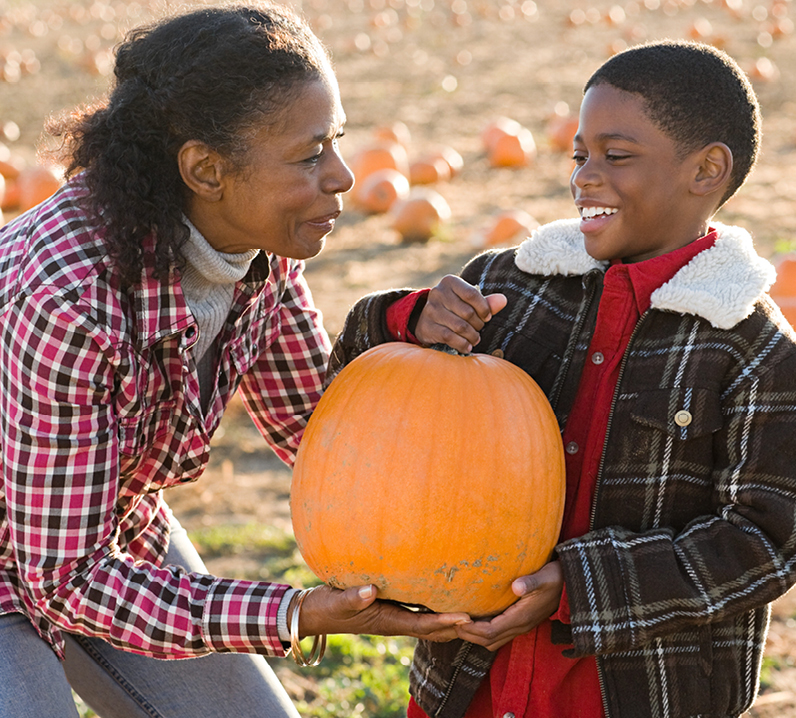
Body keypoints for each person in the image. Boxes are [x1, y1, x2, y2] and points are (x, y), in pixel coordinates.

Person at [330, 40, 796, 718]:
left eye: (615, 156)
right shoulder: (508, 287)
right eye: (579, 154)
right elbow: (362, 390)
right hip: (470, 682)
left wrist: (578, 586)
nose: (586, 177)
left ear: (706, 170)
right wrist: (406, 319)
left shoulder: (758, 353)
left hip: (636, 693)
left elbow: (765, 544)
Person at [0, 4, 468, 718]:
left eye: (336, 141)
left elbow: (322, 433)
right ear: (206, 170)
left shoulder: (263, 256)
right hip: (63, 562)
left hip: (102, 532)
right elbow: (66, 579)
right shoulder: (71, 299)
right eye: (311, 154)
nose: (342, 175)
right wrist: (296, 612)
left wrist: (416, 337)